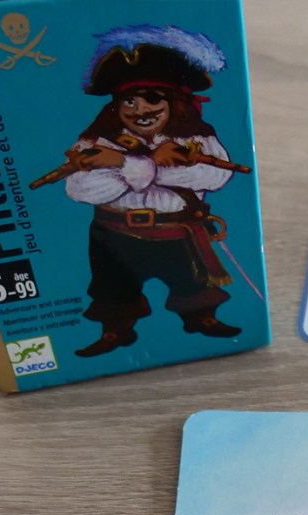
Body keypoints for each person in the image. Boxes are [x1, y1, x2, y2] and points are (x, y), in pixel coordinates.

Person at [63, 25, 242, 357]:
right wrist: (146, 164)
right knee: (112, 290)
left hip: (177, 231)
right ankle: (115, 331)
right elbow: (80, 188)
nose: (140, 109)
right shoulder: (95, 144)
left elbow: (213, 175)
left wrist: (126, 166)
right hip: (114, 234)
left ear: (176, 102)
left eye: (152, 99)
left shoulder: (197, 140)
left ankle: (202, 319)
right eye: (129, 100)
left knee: (193, 284)